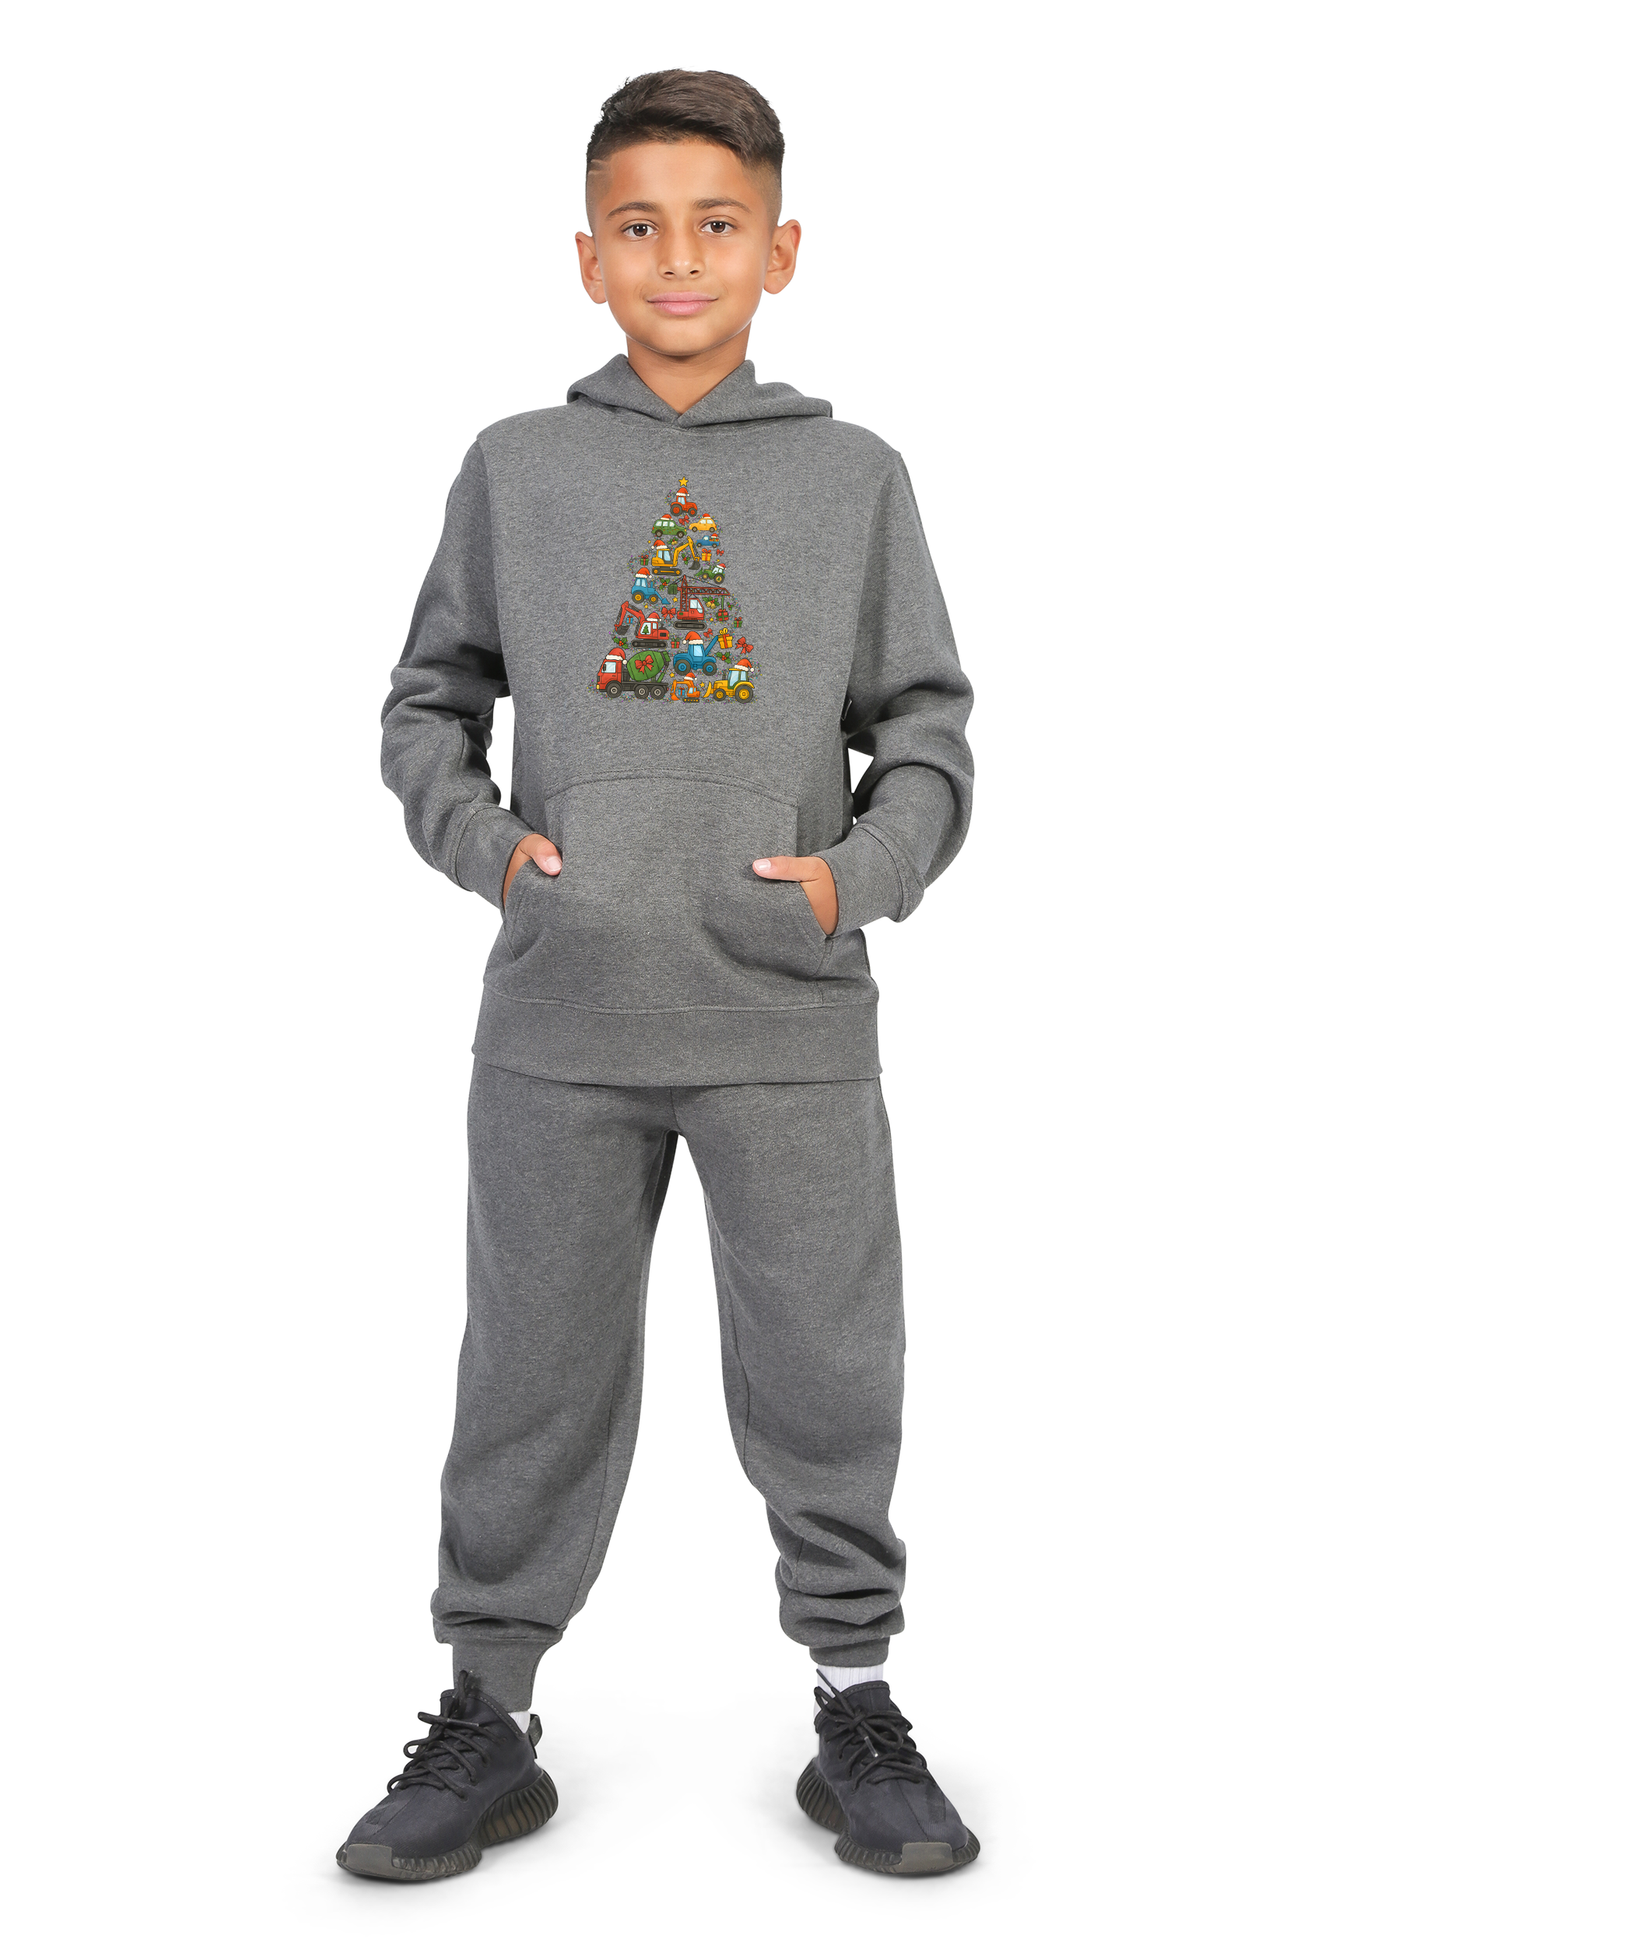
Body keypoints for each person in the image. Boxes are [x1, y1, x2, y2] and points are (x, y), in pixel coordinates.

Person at [347, 68, 976, 1882]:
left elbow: (926, 728)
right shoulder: (517, 467)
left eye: (716, 224)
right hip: (560, 1018)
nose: (677, 258)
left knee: (826, 1367)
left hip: (788, 1019)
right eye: (639, 225)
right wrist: (494, 851)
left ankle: (854, 1696)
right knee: (529, 1374)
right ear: (586, 257)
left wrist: (856, 880)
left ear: (781, 250)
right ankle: (488, 1713)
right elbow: (424, 704)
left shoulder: (853, 478)